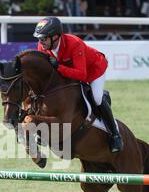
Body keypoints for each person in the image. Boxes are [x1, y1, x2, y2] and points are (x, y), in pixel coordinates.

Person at [33, 17, 123, 153]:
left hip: (94, 70)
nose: (41, 42)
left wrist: (59, 67)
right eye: (39, 39)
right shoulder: (42, 47)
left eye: (44, 38)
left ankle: (115, 134)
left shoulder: (74, 43)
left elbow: (81, 74)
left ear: (56, 37)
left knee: (97, 98)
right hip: (70, 72)